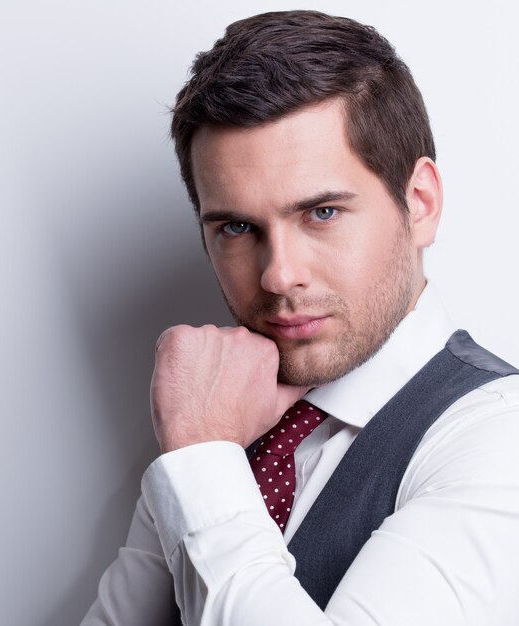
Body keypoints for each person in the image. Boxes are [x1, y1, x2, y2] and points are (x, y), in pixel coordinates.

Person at [81, 10, 519, 625]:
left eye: (322, 213)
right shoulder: (218, 414)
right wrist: (204, 451)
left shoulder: (500, 439)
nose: (278, 275)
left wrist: (203, 456)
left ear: (419, 204)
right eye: (237, 227)